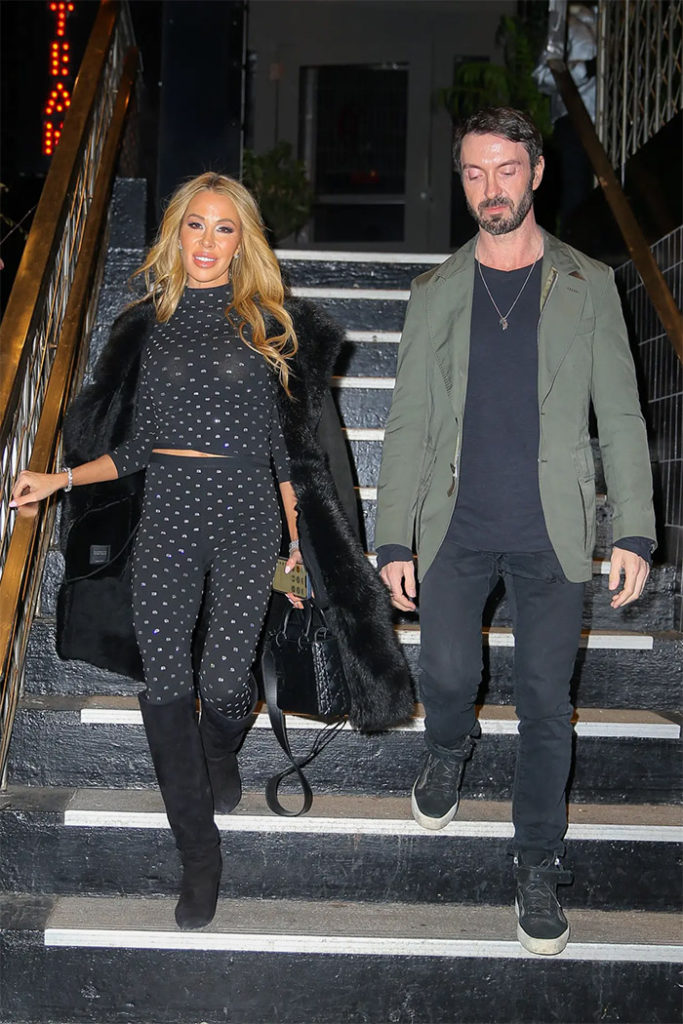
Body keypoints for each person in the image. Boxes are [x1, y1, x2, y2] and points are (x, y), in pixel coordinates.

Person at [12, 172, 413, 931]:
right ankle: (199, 855)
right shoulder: (149, 324)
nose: (206, 240)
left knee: (227, 685)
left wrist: (297, 544)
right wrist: (58, 479)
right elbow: (133, 449)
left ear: (242, 241)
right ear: (176, 233)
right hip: (167, 516)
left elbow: (289, 453)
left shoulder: (268, 326)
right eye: (194, 224)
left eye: (223, 227)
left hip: (245, 519)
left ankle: (219, 750)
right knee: (165, 682)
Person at [374, 108, 655, 956]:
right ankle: (448, 744)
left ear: (535, 173)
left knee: (544, 701)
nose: (489, 189)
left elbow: (620, 413)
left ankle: (535, 861)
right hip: (454, 523)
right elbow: (408, 422)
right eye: (473, 173)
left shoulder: (587, 283)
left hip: (551, 531)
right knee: (446, 673)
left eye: (504, 170)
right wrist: (392, 538)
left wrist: (634, 529)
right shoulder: (434, 292)